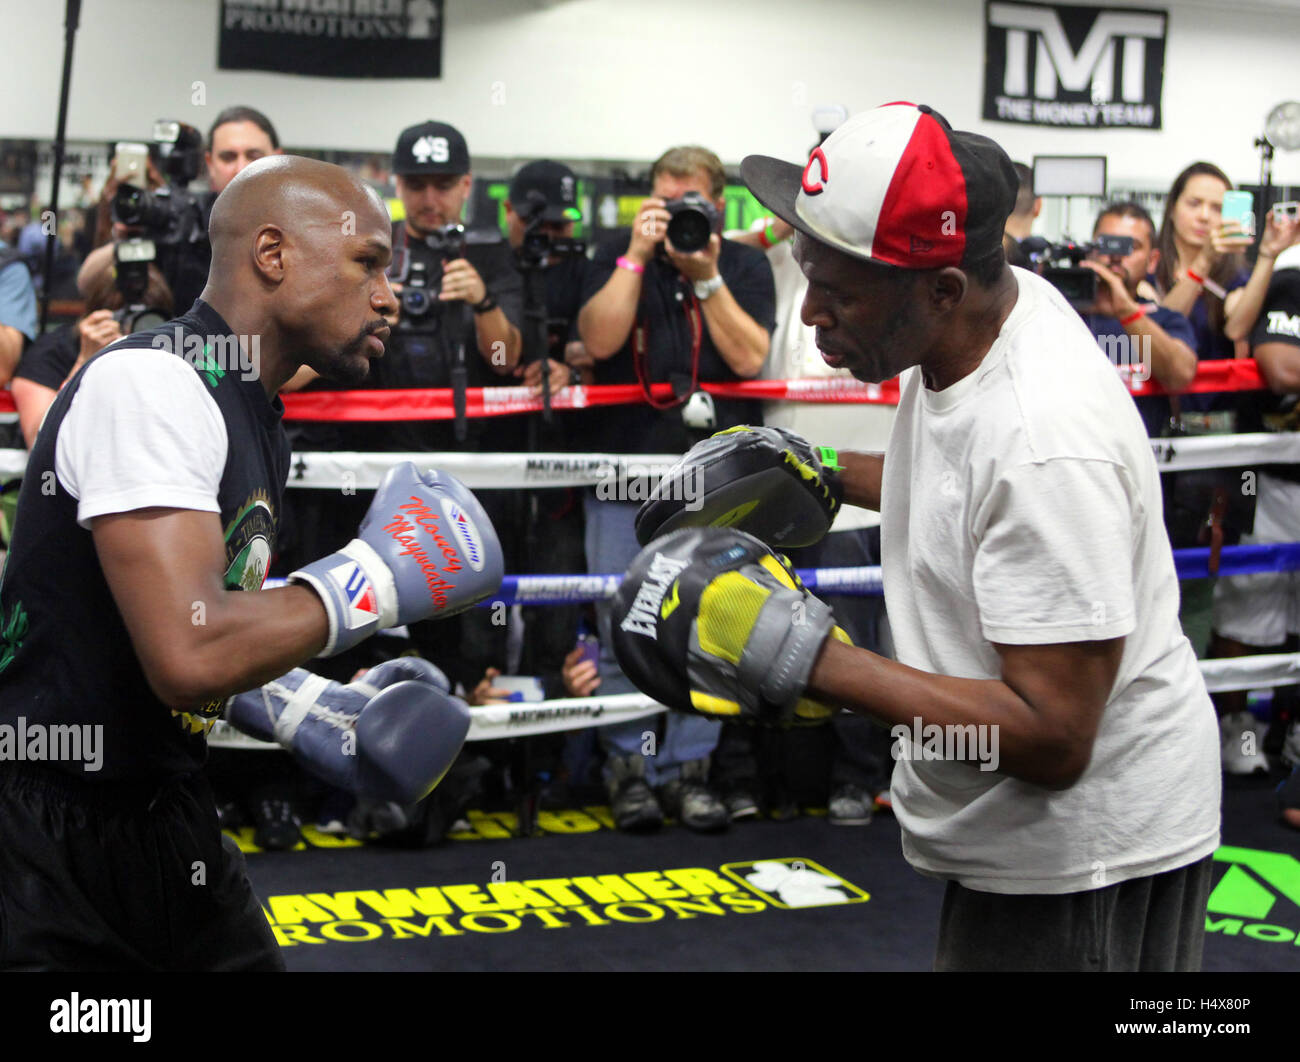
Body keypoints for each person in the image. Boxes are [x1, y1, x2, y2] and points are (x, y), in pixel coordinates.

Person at [618, 102, 1220, 971]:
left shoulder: (1046, 438)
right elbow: (962, 486)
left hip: (1087, 856)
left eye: (841, 290)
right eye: (806, 270)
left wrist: (807, 654)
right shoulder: (976, 326)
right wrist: (818, 469)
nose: (813, 312)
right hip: (1034, 842)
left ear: (942, 289)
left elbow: (1054, 737)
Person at [0, 155, 496, 971]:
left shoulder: (249, 408)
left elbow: (197, 616)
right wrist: (376, 576)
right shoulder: (152, 386)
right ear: (272, 254)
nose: (388, 295)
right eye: (367, 263)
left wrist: (312, 708)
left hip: (166, 813)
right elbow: (190, 654)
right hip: (44, 841)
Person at [577, 144, 775, 833]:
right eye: (665, 200)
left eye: (691, 201)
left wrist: (709, 276)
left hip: (717, 478)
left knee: (713, 617)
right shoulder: (614, 251)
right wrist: (637, 255)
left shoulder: (745, 264)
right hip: (623, 468)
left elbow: (751, 356)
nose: (678, 214)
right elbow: (599, 341)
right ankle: (628, 769)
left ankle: (691, 769)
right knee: (619, 619)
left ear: (717, 204)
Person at [1211, 240, 1300, 775]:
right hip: (1263, 474)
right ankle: (1236, 725)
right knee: (1248, 602)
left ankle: (1288, 731)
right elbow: (1282, 369)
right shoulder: (1291, 281)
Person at [1077, 201, 1198, 438]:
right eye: (1106, 244)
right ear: (1090, 249)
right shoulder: (1059, 311)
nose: (1115, 255)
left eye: (1130, 246)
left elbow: (1180, 374)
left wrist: (1127, 311)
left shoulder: (1164, 319)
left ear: (1152, 261)